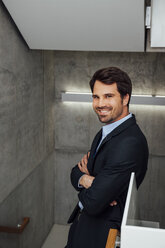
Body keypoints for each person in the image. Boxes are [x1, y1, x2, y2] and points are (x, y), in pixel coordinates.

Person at [65, 67, 148, 248]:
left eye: (108, 96)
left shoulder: (129, 143)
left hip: (99, 233)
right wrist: (87, 180)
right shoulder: (106, 132)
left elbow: (94, 203)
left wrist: (91, 185)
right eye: (96, 97)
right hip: (83, 224)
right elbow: (75, 172)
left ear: (125, 98)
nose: (100, 103)